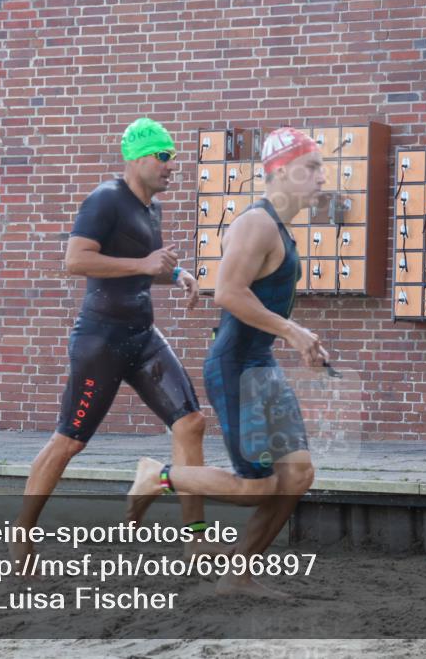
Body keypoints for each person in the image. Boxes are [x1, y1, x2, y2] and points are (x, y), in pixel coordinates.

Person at [126, 127, 327, 598]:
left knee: (297, 475)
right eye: (312, 167)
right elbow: (230, 292)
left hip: (261, 363)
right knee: (255, 486)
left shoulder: (279, 227)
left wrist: (300, 339)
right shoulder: (255, 224)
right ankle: (156, 476)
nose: (322, 177)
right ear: (281, 171)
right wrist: (293, 330)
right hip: (237, 366)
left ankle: (238, 574)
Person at [10, 118, 214, 569]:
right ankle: (22, 536)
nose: (171, 167)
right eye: (163, 157)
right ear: (138, 158)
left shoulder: (151, 211)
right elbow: (76, 260)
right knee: (69, 440)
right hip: (101, 340)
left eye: (172, 158)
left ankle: (195, 543)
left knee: (191, 423)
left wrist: (176, 275)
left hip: (142, 336)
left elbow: (143, 267)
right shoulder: (105, 200)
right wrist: (146, 262)